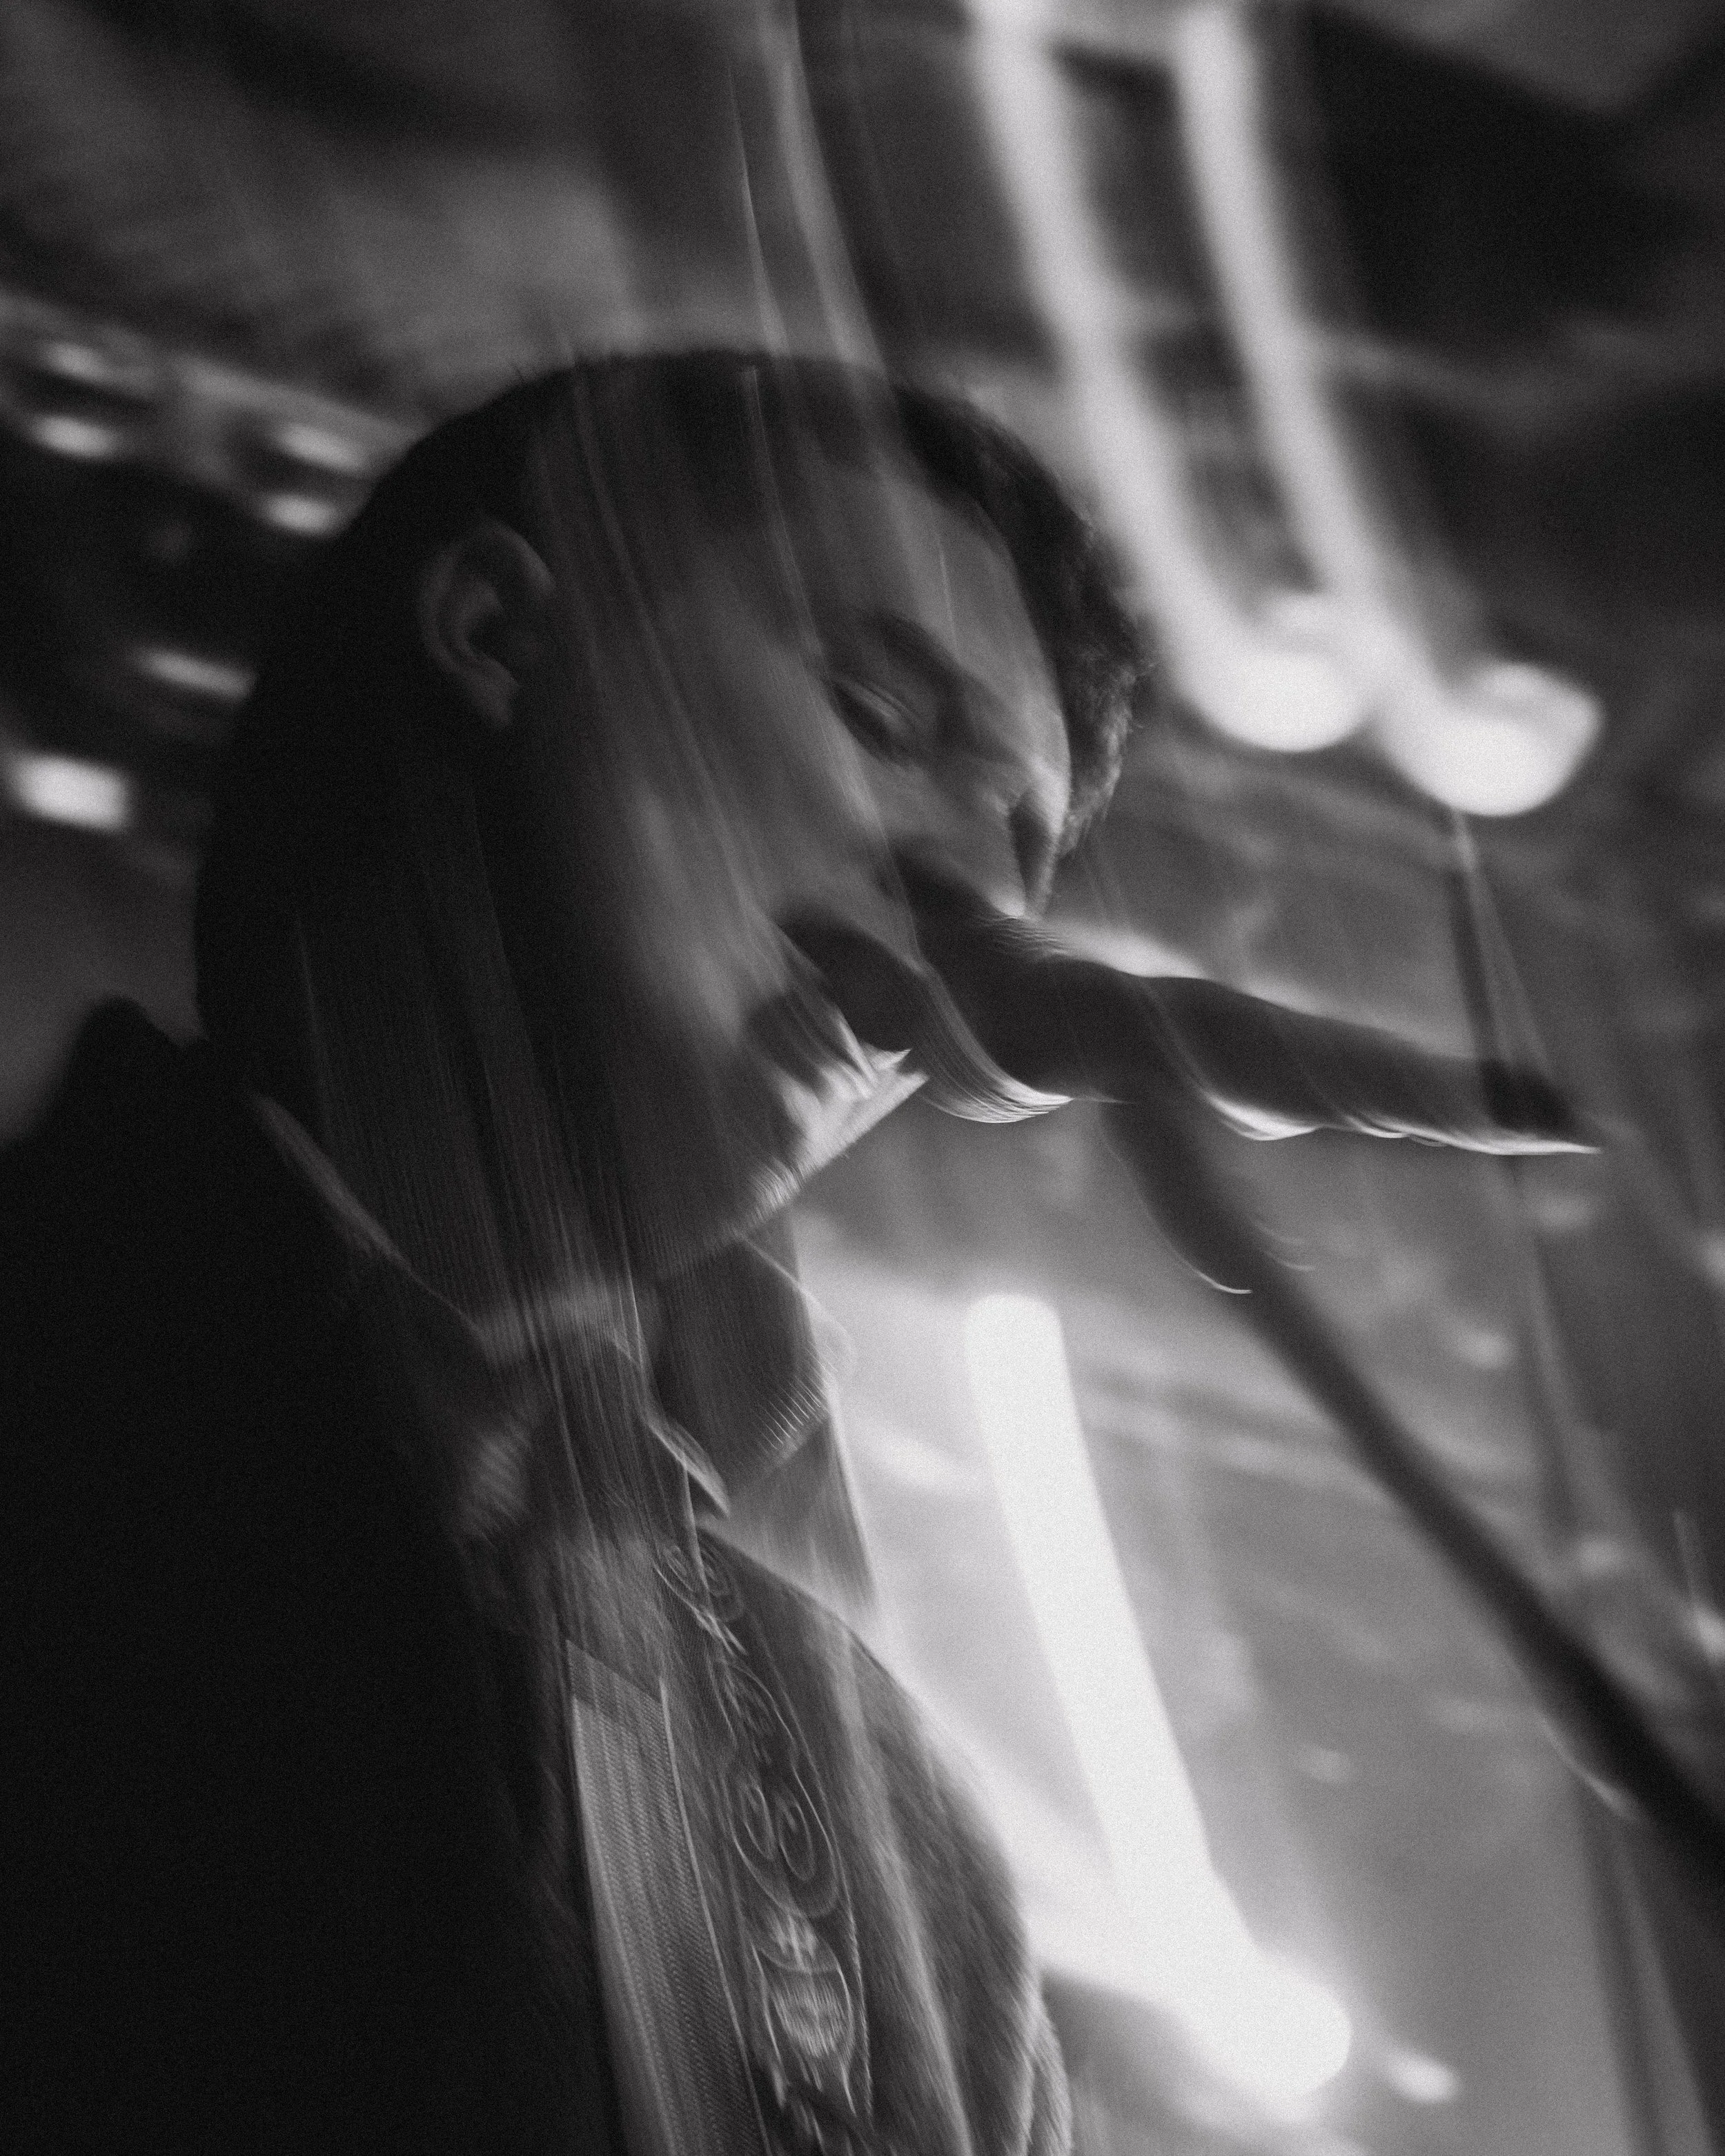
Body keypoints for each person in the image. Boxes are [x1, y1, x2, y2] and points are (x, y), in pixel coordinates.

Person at [3, 351, 1148, 2156]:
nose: (963, 923)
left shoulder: (901, 1849)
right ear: (487, 628)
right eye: (875, 707)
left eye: (1017, 866)